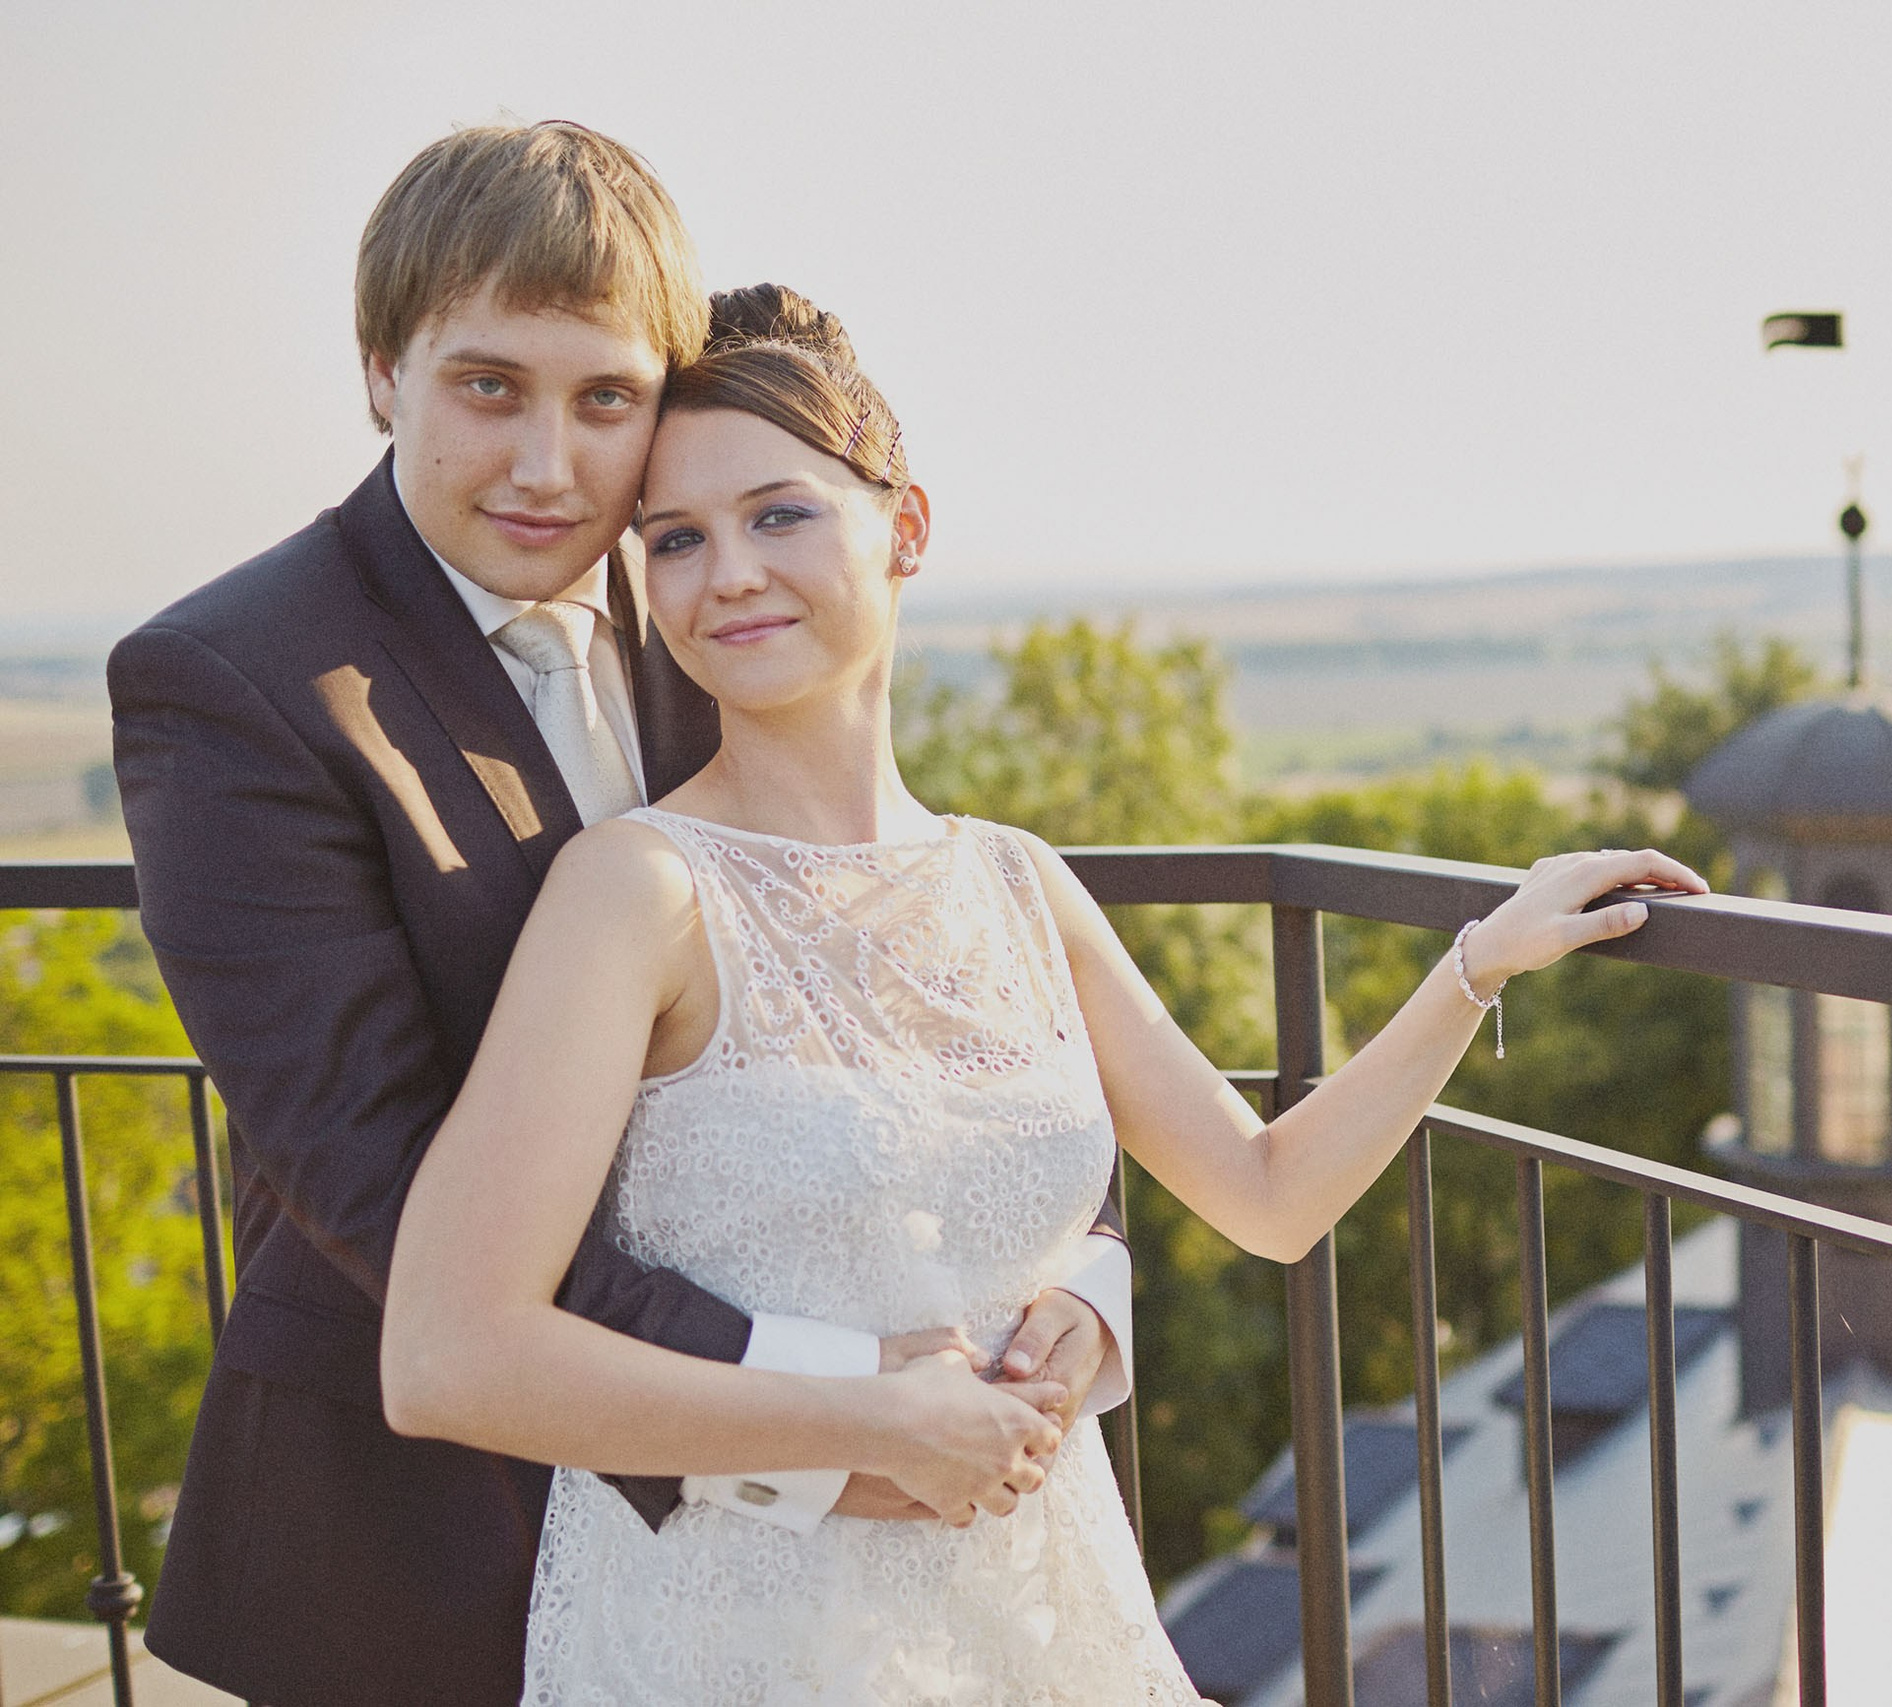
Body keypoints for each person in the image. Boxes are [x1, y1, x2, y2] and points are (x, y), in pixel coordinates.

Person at [377, 282, 1711, 1703]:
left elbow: (1269, 1195)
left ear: (905, 527)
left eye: (780, 515)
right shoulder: (636, 892)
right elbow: (451, 1359)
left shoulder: (1016, 882)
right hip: (741, 1645)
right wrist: (866, 1425)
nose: (729, 576)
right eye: (677, 539)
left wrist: (1474, 967)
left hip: (1032, 1613)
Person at [108, 124, 1129, 1707]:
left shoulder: (715, 597)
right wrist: (835, 1408)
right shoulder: (232, 682)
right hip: (423, 1545)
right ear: (383, 373)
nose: (550, 466)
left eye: (606, 400)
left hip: (825, 1579)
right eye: (488, 387)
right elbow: (381, 1183)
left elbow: (915, 989)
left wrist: (1075, 1287)